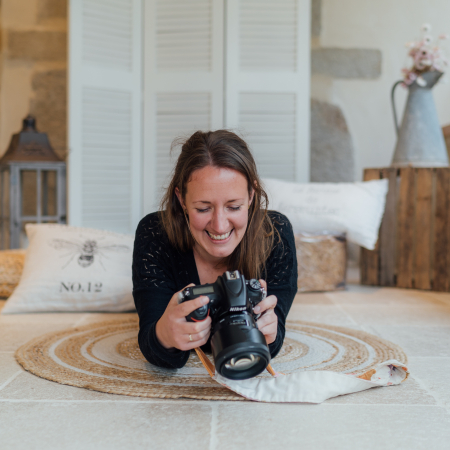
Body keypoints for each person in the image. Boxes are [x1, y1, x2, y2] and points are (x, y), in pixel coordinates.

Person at [132, 130, 298, 369]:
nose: (220, 225)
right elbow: (153, 345)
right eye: (203, 208)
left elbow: (275, 336)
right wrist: (165, 336)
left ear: (251, 195)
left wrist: (268, 332)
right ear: (181, 199)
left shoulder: (275, 234)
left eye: (234, 206)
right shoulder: (155, 234)